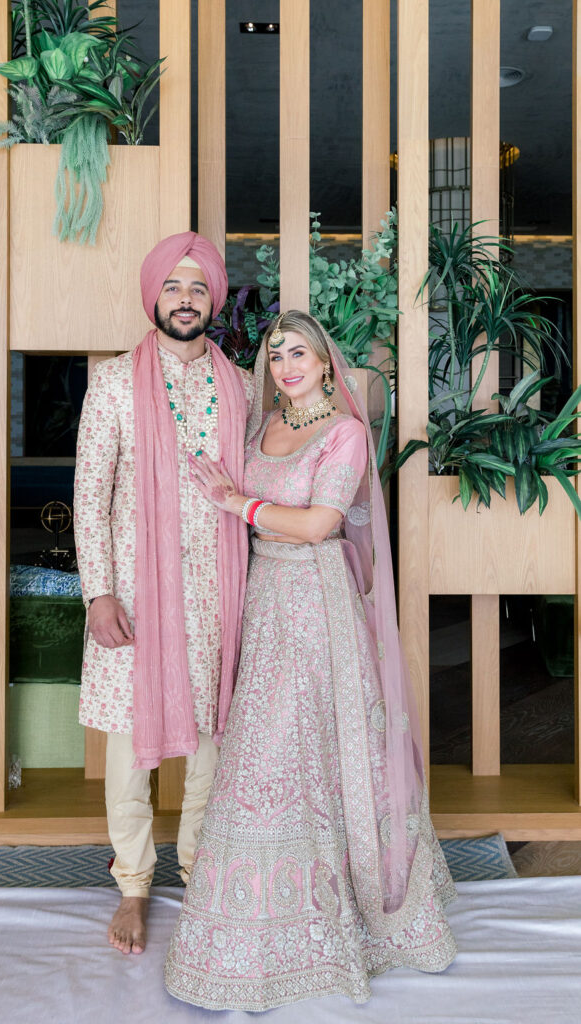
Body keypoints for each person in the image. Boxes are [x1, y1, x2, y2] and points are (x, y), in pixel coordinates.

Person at [165, 310, 457, 1010]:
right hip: (264, 595)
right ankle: (246, 930)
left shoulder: (345, 433)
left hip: (317, 601)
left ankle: (341, 919)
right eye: (275, 354)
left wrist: (236, 502)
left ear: (326, 364)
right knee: (259, 753)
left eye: (300, 352)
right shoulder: (258, 429)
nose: (286, 365)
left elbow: (320, 524)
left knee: (313, 749)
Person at [73, 232, 253, 957]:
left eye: (198, 288)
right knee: (129, 744)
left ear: (213, 300)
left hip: (218, 586)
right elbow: (91, 493)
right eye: (174, 287)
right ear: (154, 296)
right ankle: (135, 887)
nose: (186, 299)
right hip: (137, 594)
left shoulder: (239, 381)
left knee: (212, 740)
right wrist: (99, 593)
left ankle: (202, 877)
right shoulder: (115, 381)